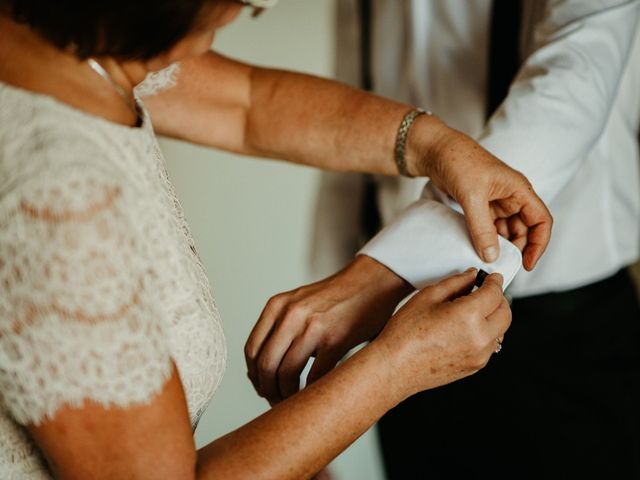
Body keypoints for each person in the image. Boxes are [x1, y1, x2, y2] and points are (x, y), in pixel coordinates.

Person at [0, 0, 552, 478]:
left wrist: (434, 145)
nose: (255, 12)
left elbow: (247, 103)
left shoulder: (69, 48)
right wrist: (398, 365)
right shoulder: (57, 200)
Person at [246, 0, 640, 477]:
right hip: (396, 326)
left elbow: (578, 63)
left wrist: (382, 272)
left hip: (564, 322)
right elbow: (355, 98)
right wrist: (323, 371)